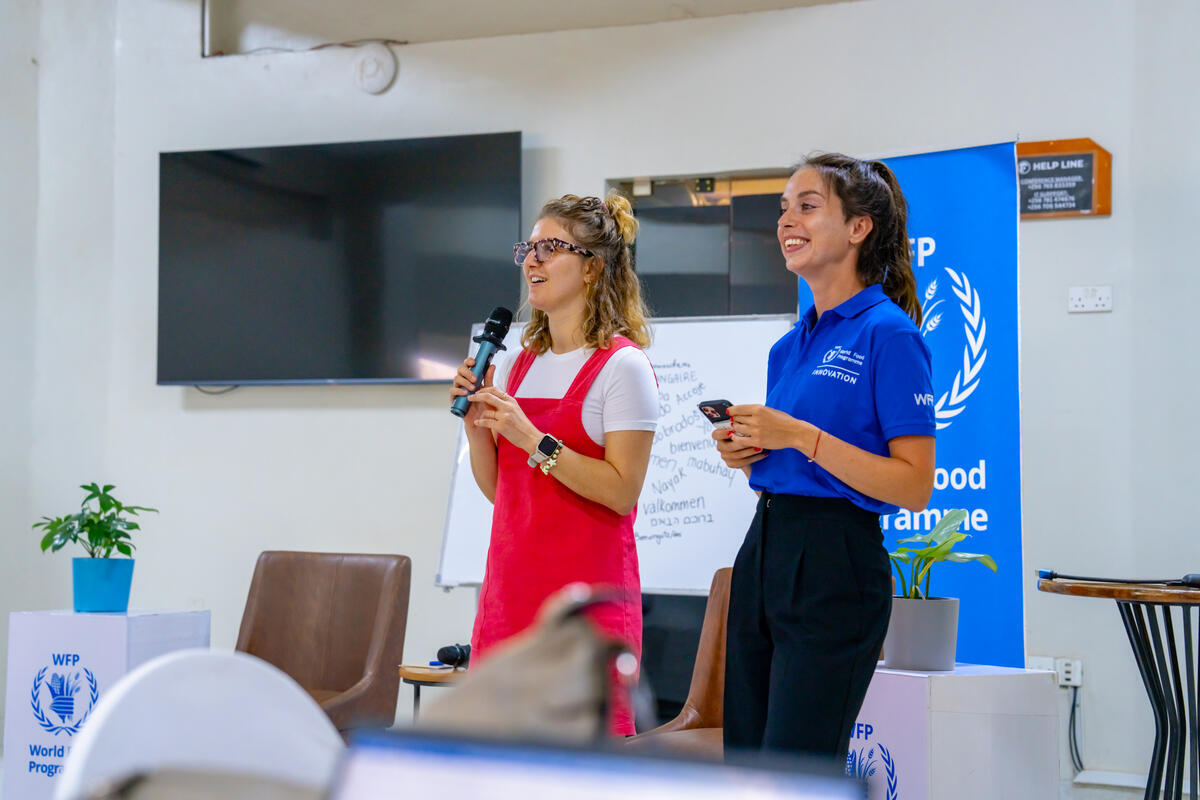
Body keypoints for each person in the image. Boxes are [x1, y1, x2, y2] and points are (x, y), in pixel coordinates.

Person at [713, 153, 936, 760]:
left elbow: (914, 486)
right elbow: (787, 455)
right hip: (765, 548)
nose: (788, 220)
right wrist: (747, 452)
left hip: (836, 561)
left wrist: (800, 436)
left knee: (796, 770)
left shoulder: (889, 334)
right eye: (784, 208)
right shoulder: (790, 344)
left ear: (859, 227)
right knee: (747, 764)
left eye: (807, 207)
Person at [449, 192, 657, 736]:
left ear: (592, 267)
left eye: (550, 248)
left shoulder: (623, 367)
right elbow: (504, 493)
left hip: (582, 614)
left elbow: (621, 490)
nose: (532, 261)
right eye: (529, 248)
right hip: (508, 601)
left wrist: (532, 437)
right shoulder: (517, 365)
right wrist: (477, 431)